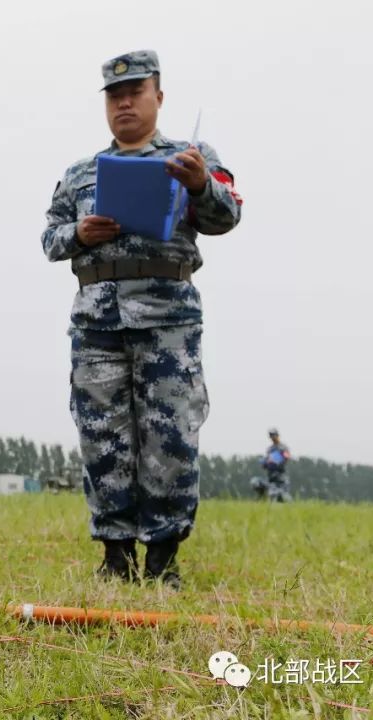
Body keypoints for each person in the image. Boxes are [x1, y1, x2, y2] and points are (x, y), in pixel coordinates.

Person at [41, 50, 243, 590]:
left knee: (169, 436)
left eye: (135, 91)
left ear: (159, 95)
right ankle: (115, 555)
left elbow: (227, 215)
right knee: (102, 437)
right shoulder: (81, 173)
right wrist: (79, 234)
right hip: (97, 326)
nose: (124, 102)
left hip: (167, 321)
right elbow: (49, 238)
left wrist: (199, 185)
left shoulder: (190, 158)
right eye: (115, 95)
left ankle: (162, 558)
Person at [261, 428, 292, 502]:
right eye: (271, 436)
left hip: (281, 474)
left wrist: (279, 461)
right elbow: (266, 460)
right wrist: (265, 463)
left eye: (274, 435)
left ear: (277, 435)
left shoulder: (283, 447)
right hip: (271, 475)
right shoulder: (270, 449)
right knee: (272, 493)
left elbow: (287, 457)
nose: (272, 437)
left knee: (283, 494)